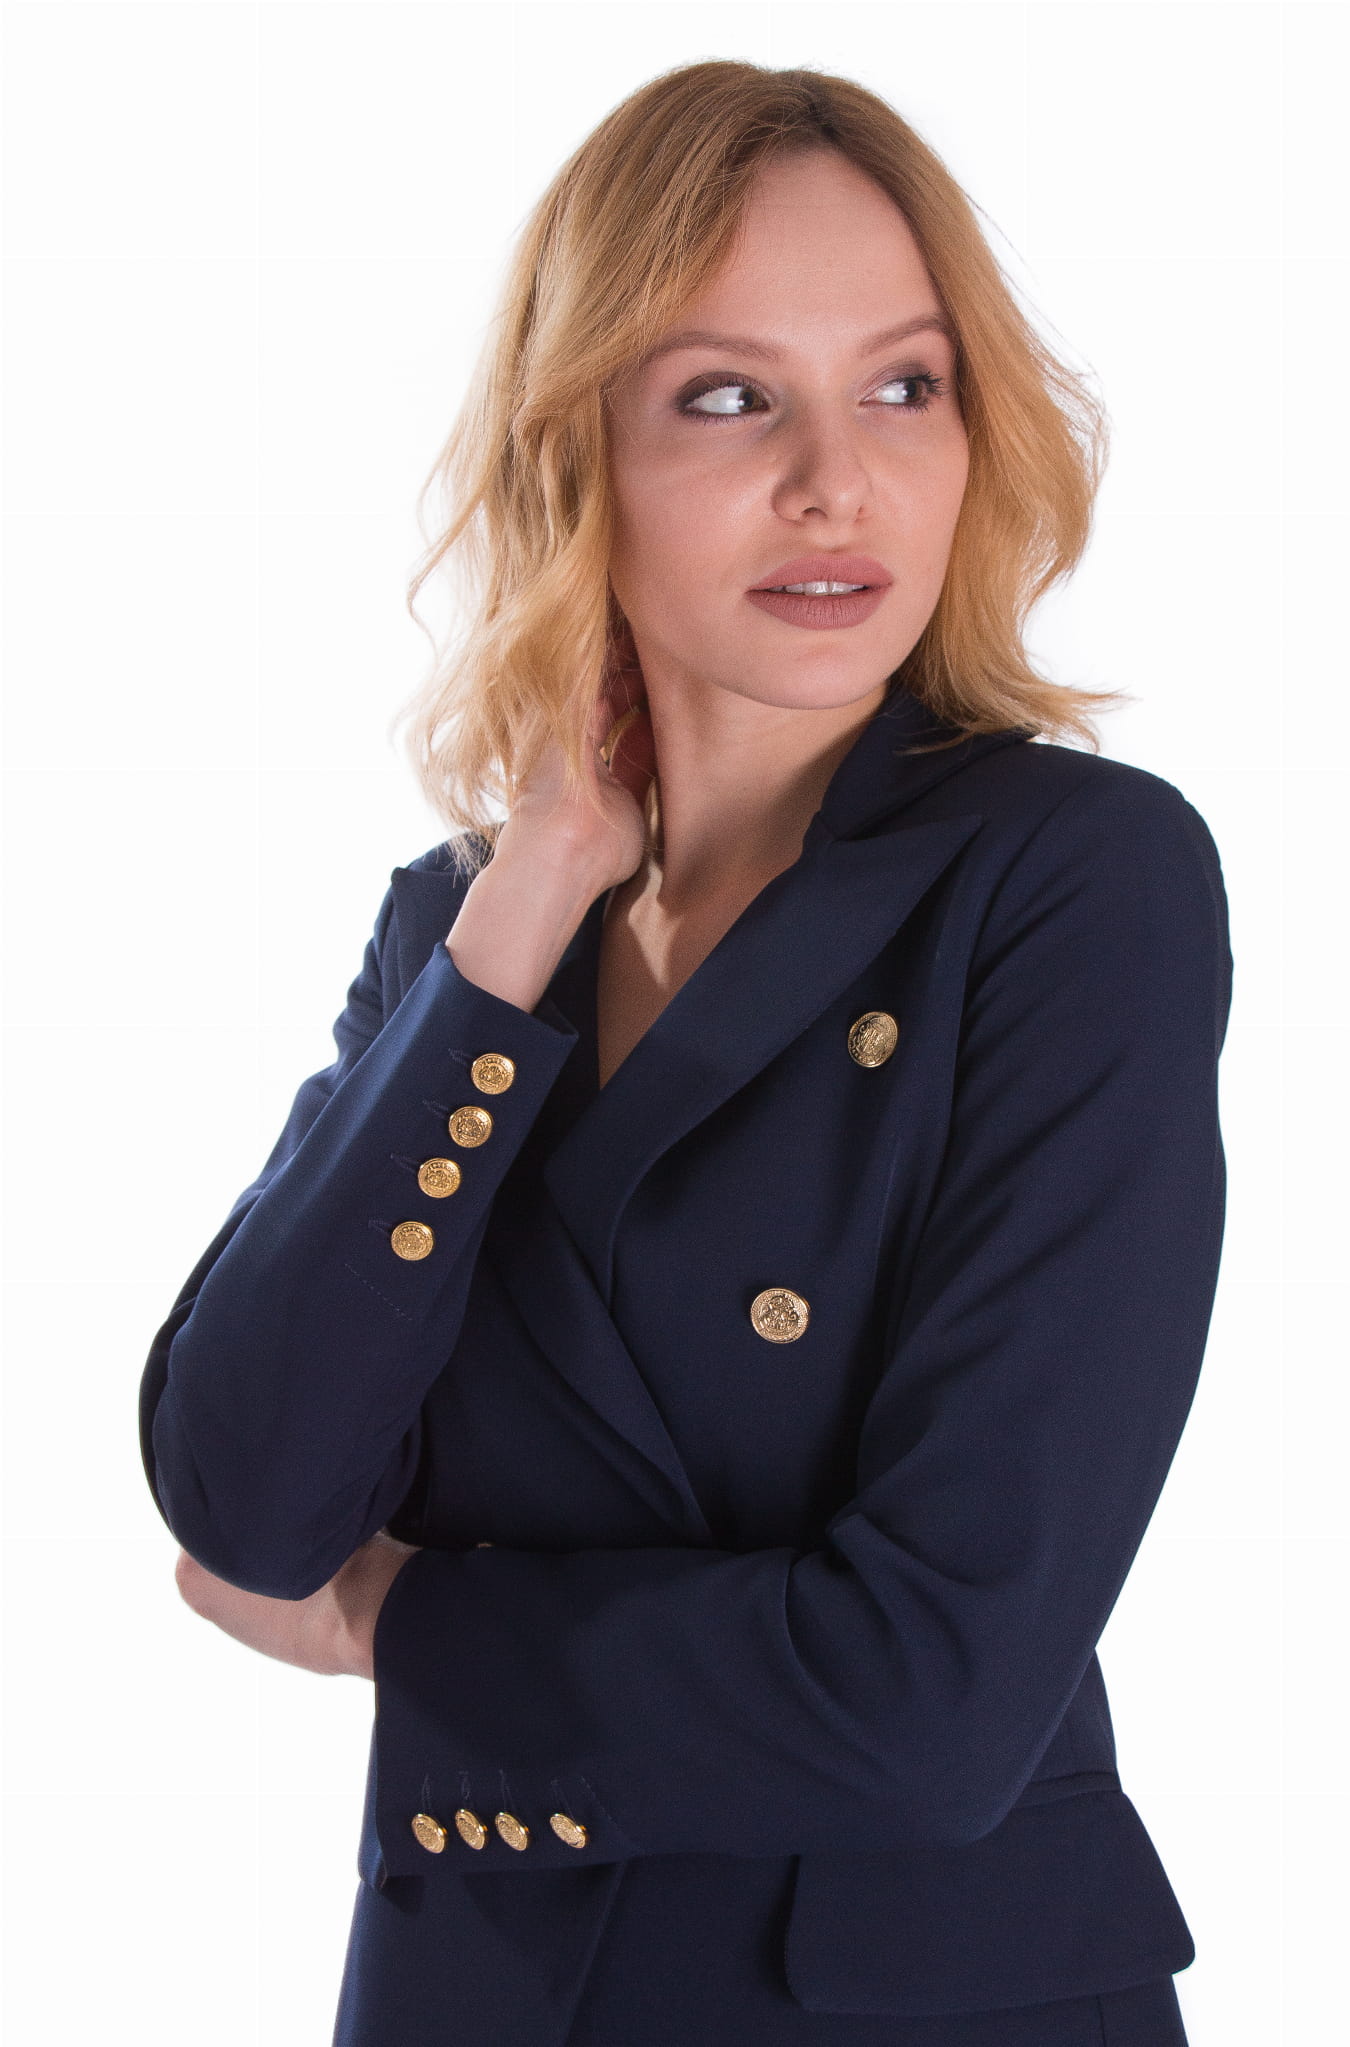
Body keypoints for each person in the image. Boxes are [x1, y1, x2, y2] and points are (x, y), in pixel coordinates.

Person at [139, 60, 1232, 2047]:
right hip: (482, 1999)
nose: (837, 482)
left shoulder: (1072, 882)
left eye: (903, 386)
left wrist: (404, 1624)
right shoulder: (467, 934)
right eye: (729, 397)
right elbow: (244, 1505)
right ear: (577, 451)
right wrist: (526, 895)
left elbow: (930, 1694)